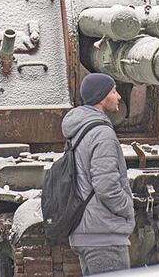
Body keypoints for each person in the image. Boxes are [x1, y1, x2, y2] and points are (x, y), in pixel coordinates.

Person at [61, 73, 135, 275]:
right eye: (113, 91)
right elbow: (106, 185)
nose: (118, 96)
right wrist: (127, 207)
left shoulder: (78, 130)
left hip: (86, 230)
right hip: (103, 234)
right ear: (101, 97)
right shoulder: (102, 133)